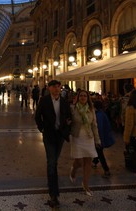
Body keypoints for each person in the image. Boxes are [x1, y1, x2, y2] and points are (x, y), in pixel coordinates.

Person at [35, 80, 72, 208]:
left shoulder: (64, 102)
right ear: (49, 88)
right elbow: (37, 116)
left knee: (54, 161)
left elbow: (69, 117)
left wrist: (66, 130)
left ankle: (51, 182)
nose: (57, 89)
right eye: (54, 87)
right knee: (52, 162)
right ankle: (54, 194)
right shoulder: (44, 101)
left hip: (60, 136)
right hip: (49, 135)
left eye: (58, 87)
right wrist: (42, 129)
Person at [69, 90, 101, 196]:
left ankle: (86, 184)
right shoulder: (73, 108)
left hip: (88, 137)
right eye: (81, 96)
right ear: (78, 97)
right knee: (78, 161)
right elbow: (68, 121)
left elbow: (94, 125)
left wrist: (97, 140)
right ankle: (73, 170)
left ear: (88, 98)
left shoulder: (91, 110)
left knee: (88, 161)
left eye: (85, 96)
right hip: (77, 137)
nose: (83, 97)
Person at [92, 100, 114, 178]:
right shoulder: (102, 113)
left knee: (100, 153)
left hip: (100, 137)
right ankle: (94, 161)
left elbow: (99, 128)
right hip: (103, 136)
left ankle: (106, 170)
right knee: (98, 151)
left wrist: (98, 139)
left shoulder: (98, 115)